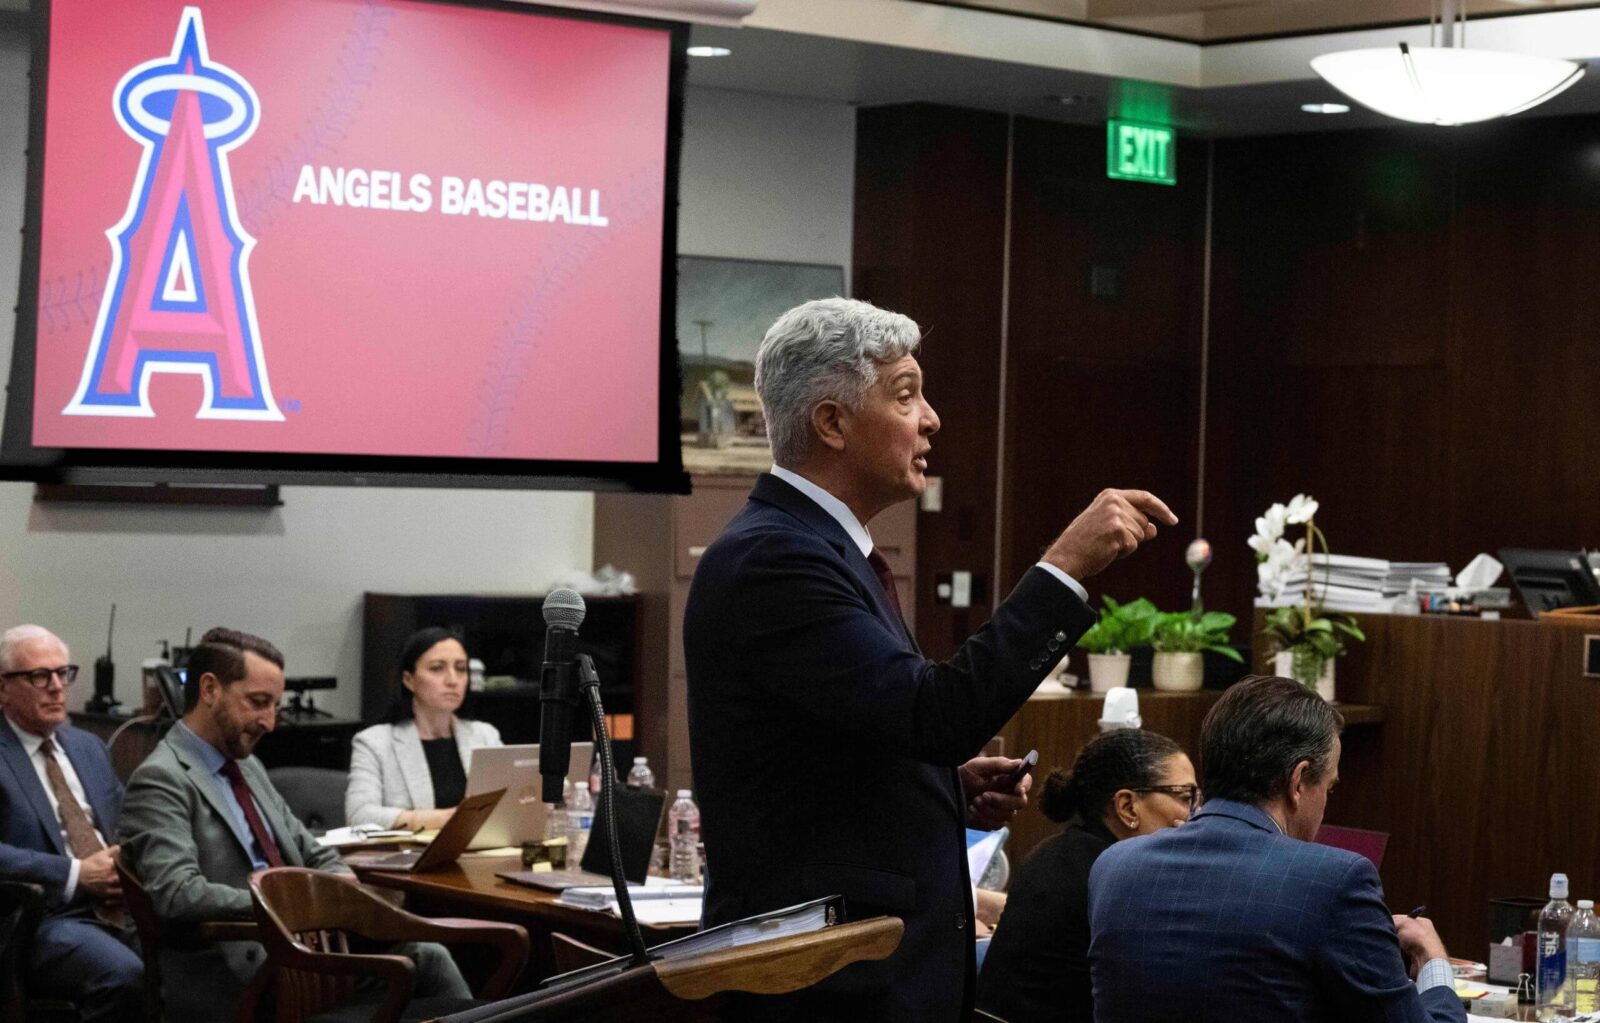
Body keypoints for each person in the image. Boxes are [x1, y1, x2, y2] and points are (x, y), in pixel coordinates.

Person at [684, 297, 1176, 1021]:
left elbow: (863, 730)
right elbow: (934, 712)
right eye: (906, 394)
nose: (933, 417)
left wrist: (942, 782)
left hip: (860, 969)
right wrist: (1064, 568)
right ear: (832, 423)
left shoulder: (814, 550)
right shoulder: (776, 559)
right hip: (824, 983)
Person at [118, 627, 471, 1018]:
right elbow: (177, 894)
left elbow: (310, 850)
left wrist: (340, 882)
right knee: (418, 968)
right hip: (243, 970)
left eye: (275, 706)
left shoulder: (247, 767)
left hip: (300, 949)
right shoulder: (162, 778)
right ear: (209, 689)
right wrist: (292, 903)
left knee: (430, 956)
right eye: (257, 702)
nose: (270, 721)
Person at [1088, 675, 1466, 1023]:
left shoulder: (1113, 866)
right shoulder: (1335, 880)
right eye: (1329, 788)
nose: (1326, 802)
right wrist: (1432, 958)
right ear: (1298, 781)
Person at [977, 728, 1194, 1023]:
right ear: (1128, 806)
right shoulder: (1121, 880)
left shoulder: (1051, 852)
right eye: (1185, 796)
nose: (1194, 814)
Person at [0, 624, 142, 1021]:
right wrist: (75, 874)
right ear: (2, 689)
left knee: (201, 962)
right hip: (41, 918)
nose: (57, 686)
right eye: (39, 676)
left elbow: (125, 823)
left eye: (64, 673)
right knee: (123, 974)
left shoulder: (87, 746)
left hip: (122, 904)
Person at [346, 627, 501, 830]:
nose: (452, 680)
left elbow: (509, 806)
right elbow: (359, 815)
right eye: (437, 668)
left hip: (480, 853)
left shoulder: (485, 735)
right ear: (409, 680)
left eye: (461, 669)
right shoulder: (374, 742)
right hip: (409, 856)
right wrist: (448, 819)